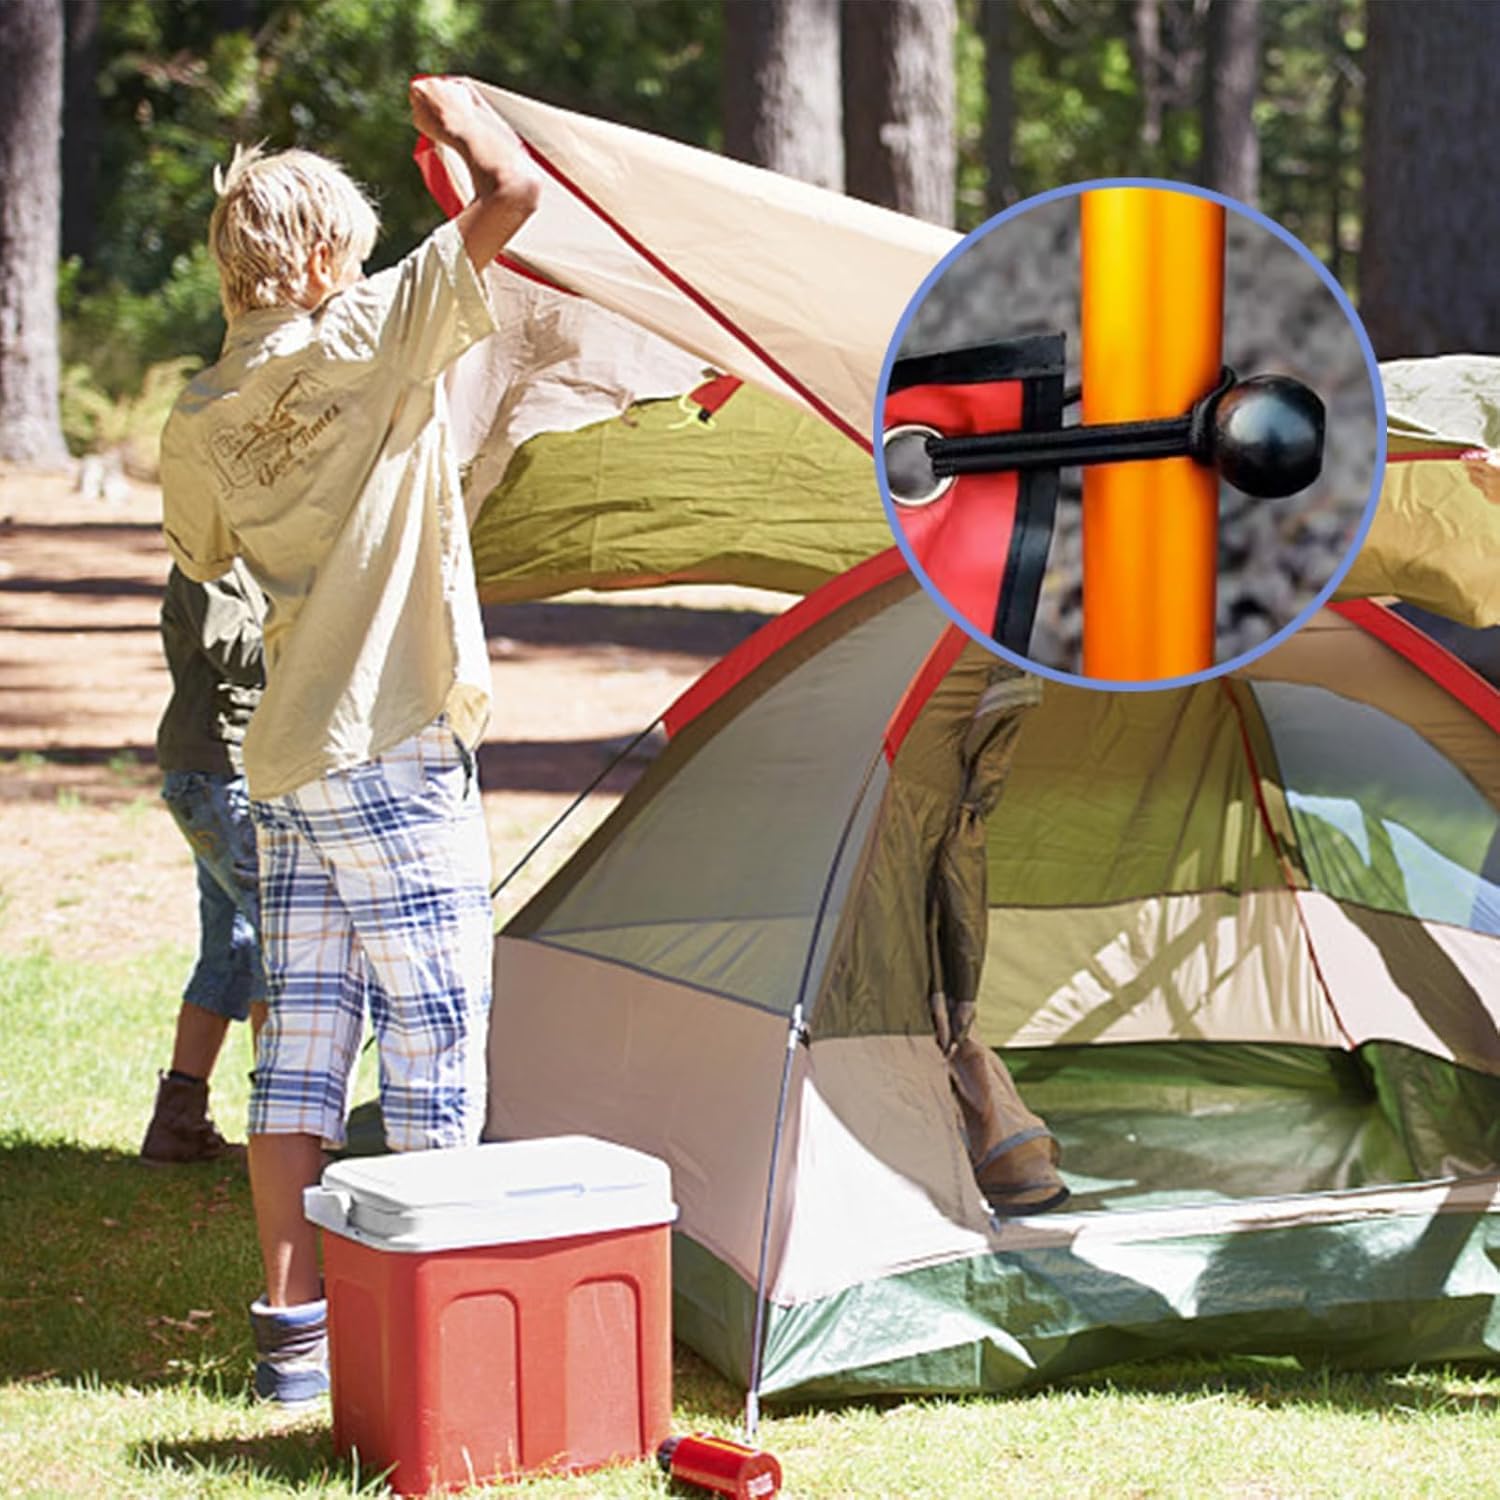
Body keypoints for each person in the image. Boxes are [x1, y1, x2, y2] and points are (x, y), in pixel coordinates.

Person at [158, 76, 540, 1404]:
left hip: (287, 763)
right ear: (320, 258)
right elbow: (514, 195)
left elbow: (206, 550)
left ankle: (292, 1343)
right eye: (354, 249)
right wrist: (453, 110)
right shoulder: (372, 327)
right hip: (394, 742)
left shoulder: (196, 416)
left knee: (303, 1054)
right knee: (438, 1046)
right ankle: (433, 1353)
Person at [142, 561, 268, 1165]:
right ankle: (287, 1130)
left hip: (234, 774)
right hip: (220, 775)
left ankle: (178, 1123)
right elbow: (243, 653)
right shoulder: (207, 559)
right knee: (282, 938)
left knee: (233, 949)